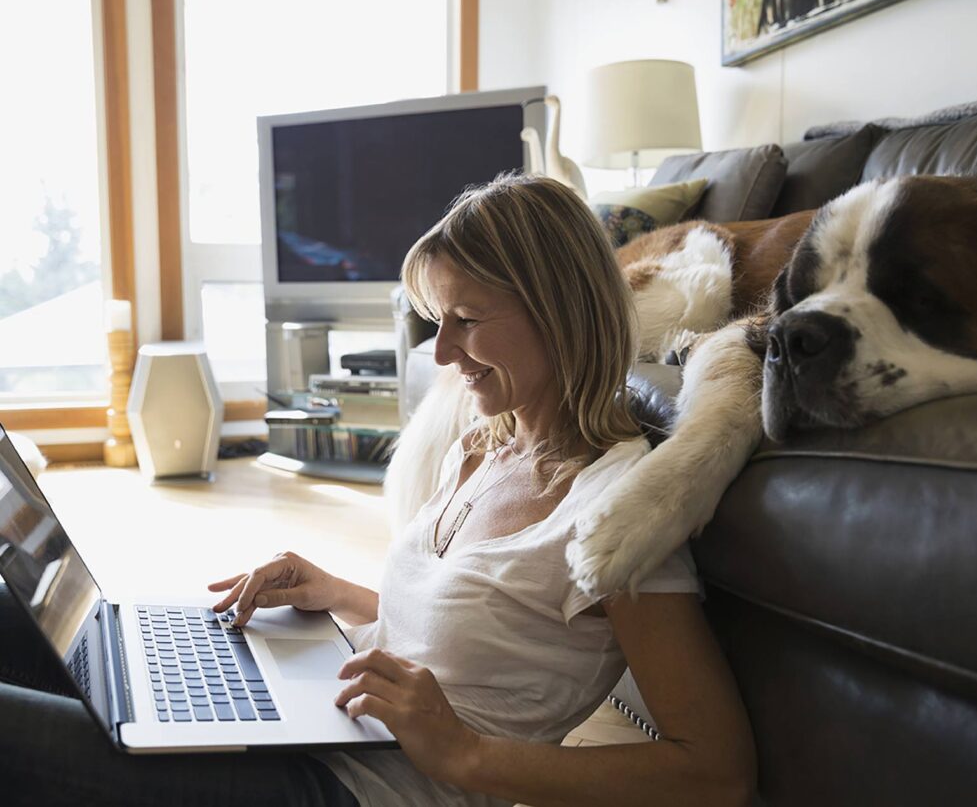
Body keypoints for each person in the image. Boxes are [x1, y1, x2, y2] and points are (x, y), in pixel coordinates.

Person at [0, 174, 755, 807]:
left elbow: (715, 771)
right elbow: (467, 631)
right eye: (437, 321)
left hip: (346, 790)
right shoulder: (487, 445)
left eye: (465, 320)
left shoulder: (620, 511)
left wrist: (464, 755)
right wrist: (336, 592)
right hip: (319, 729)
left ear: (557, 313)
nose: (443, 352)